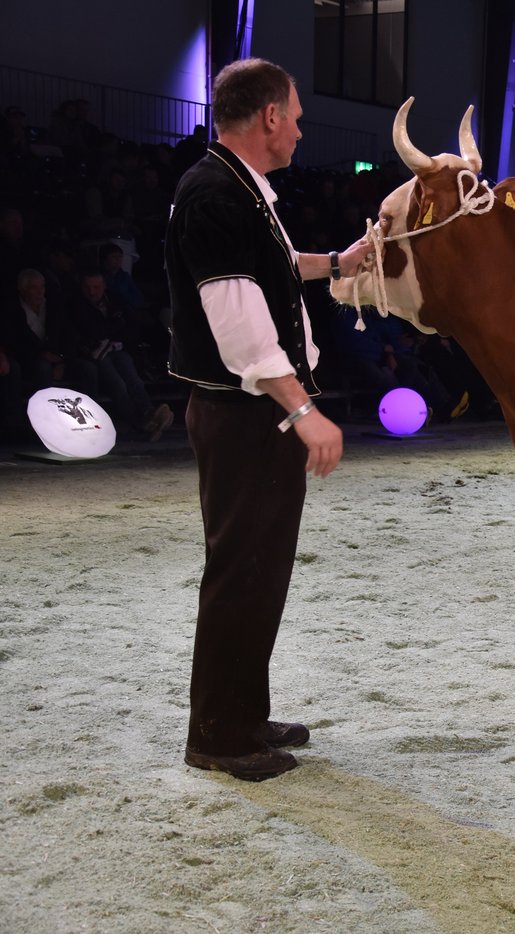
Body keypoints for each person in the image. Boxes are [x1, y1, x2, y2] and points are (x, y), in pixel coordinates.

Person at [165, 58, 372, 781]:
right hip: (243, 414)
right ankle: (217, 737)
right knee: (241, 570)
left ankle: (243, 714)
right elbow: (242, 329)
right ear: (270, 118)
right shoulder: (213, 195)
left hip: (254, 416)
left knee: (261, 572)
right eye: (297, 113)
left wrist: (341, 262)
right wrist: (306, 410)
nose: (302, 126)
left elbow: (277, 268)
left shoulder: (239, 190)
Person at [66, 268, 172, 440]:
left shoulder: (114, 300)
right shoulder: (77, 304)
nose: (92, 292)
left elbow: (129, 326)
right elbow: (91, 331)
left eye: (96, 287)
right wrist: (113, 325)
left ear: (103, 286)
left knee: (132, 377)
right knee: (117, 384)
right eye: (88, 287)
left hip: (117, 349)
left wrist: (113, 329)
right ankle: (140, 421)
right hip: (93, 354)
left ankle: (149, 412)